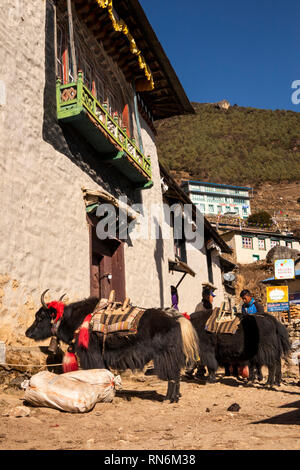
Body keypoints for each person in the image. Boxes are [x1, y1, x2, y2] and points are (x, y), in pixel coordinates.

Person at [185, 286, 216, 380]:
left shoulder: (207, 305)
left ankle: (197, 371)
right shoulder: (202, 306)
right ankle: (192, 371)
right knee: (198, 353)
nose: (213, 298)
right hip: (199, 332)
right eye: (211, 296)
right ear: (206, 296)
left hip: (203, 331)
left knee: (200, 353)